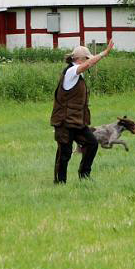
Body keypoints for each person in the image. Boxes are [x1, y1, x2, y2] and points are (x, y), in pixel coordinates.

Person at [50, 40, 114, 184]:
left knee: (92, 143)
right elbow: (88, 65)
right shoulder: (72, 71)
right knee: (64, 153)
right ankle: (60, 182)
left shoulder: (77, 74)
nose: (89, 61)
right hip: (64, 121)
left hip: (77, 121)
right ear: (80, 59)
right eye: (87, 58)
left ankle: (84, 176)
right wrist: (104, 53)